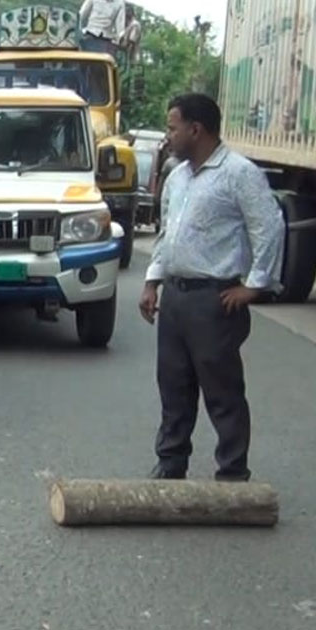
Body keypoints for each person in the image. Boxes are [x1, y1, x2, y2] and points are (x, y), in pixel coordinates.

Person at [139, 93, 285, 482]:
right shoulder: (178, 176)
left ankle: (233, 472)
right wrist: (153, 281)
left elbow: (269, 227)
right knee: (173, 386)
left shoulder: (239, 173)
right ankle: (171, 463)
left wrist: (254, 286)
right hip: (175, 297)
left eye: (172, 127)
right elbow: (167, 233)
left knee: (222, 391)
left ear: (196, 129)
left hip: (214, 300)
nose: (168, 136)